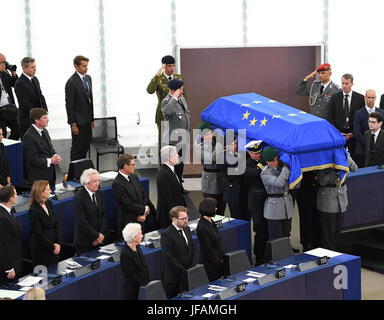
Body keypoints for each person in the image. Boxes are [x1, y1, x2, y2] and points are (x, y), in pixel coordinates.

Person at [316, 153, 357, 250]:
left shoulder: (344, 155)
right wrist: (335, 169)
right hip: (328, 199)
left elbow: (354, 168)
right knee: (328, 233)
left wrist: (346, 159)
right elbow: (322, 180)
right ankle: (329, 256)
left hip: (341, 198)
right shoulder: (323, 158)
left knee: (337, 231)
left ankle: (335, 254)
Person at [112, 154, 158, 241]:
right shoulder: (117, 183)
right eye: (132, 165)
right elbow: (127, 204)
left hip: (141, 218)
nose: (135, 166)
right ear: (125, 166)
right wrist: (143, 210)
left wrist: (143, 213)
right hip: (129, 221)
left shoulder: (134, 177)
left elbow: (143, 194)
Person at [147, 55, 184, 154]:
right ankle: (164, 167)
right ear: (163, 66)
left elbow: (184, 97)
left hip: (177, 115)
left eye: (173, 66)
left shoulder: (179, 78)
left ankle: (175, 166)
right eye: (169, 66)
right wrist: (157, 74)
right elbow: (150, 90)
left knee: (177, 141)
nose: (172, 68)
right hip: (163, 115)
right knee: (164, 143)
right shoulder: (159, 79)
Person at [160, 206, 195, 298]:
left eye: (187, 218)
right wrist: (182, 270)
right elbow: (168, 257)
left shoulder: (186, 229)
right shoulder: (167, 234)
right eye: (183, 219)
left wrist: (191, 265)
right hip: (173, 277)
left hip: (188, 273)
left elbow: (192, 248)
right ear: (174, 219)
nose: (186, 220)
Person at [328, 74, 365, 160]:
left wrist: (354, 133)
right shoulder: (335, 97)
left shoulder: (359, 98)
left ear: (352, 83)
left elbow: (362, 118)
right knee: (339, 159)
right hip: (339, 134)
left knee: (355, 159)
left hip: (354, 134)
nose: (344, 86)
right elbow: (330, 117)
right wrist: (337, 132)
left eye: (346, 83)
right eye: (342, 83)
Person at [260, 147, 294, 241]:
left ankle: (287, 255)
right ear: (268, 161)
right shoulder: (265, 173)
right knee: (276, 238)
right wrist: (286, 169)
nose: (276, 161)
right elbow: (280, 183)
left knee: (286, 234)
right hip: (274, 207)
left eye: (277, 159)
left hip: (287, 204)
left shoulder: (281, 168)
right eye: (273, 160)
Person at [22, 108, 61, 188]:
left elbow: (50, 148)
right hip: (39, 178)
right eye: (45, 118)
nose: (48, 120)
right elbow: (32, 159)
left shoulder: (45, 131)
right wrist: (51, 160)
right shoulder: (28, 136)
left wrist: (55, 155)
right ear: (37, 120)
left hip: (50, 175)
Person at [65, 55, 94, 161]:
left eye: (87, 66)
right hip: (78, 122)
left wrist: (91, 119)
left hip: (87, 121)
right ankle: (73, 174)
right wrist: (73, 124)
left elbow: (90, 100)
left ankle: (82, 171)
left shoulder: (88, 78)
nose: (86, 68)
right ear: (76, 66)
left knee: (85, 146)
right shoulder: (71, 82)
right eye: (83, 66)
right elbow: (69, 105)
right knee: (77, 148)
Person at [161, 78, 190, 183]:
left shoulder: (182, 99)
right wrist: (173, 98)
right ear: (173, 90)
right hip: (174, 139)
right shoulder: (166, 101)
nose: (182, 91)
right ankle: (174, 186)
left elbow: (186, 115)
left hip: (183, 136)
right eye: (180, 89)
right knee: (174, 164)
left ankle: (179, 185)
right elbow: (167, 112)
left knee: (181, 163)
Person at [194, 121, 226, 216]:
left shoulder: (216, 144)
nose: (210, 135)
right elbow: (213, 158)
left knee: (221, 208)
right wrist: (220, 144)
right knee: (210, 209)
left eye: (211, 133)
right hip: (210, 182)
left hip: (221, 179)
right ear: (202, 136)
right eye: (207, 134)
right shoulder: (199, 148)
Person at [244, 140, 268, 264]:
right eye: (255, 153)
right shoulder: (247, 163)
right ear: (249, 152)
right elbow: (252, 174)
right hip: (255, 200)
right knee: (259, 230)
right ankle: (258, 257)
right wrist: (261, 165)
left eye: (260, 152)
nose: (258, 155)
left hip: (266, 198)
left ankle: (267, 254)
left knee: (267, 229)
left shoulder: (264, 161)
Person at [72, 168, 107, 255]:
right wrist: (95, 237)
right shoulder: (78, 198)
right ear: (86, 183)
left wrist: (101, 235)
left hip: (99, 239)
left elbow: (103, 215)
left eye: (98, 180)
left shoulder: (99, 193)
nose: (97, 183)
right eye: (94, 181)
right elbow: (82, 222)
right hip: (85, 242)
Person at [28, 180, 60, 267]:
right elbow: (38, 233)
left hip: (53, 246)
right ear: (41, 192)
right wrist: (52, 247)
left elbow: (56, 223)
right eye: (48, 189)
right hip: (41, 250)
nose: (51, 191)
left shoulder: (49, 203)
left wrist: (57, 243)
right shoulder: (33, 210)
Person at [14, 57, 47, 139]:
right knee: (29, 147)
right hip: (27, 121)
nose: (35, 69)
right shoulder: (20, 83)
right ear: (24, 68)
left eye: (35, 67)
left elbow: (41, 96)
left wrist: (44, 113)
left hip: (38, 120)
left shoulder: (35, 79)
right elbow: (25, 104)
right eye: (32, 67)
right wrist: (37, 117)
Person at [156, 145, 186, 229]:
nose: (178, 156)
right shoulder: (164, 174)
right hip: (170, 218)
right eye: (176, 154)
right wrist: (176, 218)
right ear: (169, 158)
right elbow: (167, 199)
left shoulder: (170, 170)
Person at [196, 198, 225, 282]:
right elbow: (207, 249)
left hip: (217, 259)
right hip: (210, 263)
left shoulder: (210, 221)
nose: (216, 208)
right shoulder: (202, 227)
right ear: (209, 209)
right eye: (214, 207)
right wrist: (218, 262)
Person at [353, 89, 384, 168]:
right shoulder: (358, 113)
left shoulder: (382, 112)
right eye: (368, 97)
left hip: (379, 152)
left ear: (375, 98)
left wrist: (376, 144)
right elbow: (357, 132)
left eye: (372, 97)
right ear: (365, 98)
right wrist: (369, 143)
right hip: (362, 151)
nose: (370, 100)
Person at [120, 223, 150, 300]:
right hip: (133, 291)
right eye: (140, 234)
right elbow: (131, 276)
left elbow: (144, 266)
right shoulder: (125, 253)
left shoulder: (137, 247)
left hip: (143, 286)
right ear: (133, 237)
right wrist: (143, 287)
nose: (142, 235)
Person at [0, 185, 22, 286]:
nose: (17, 196)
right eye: (15, 194)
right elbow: (3, 245)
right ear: (10, 199)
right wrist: (9, 268)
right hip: (7, 268)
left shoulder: (6, 212)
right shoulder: (4, 218)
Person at [222, 137, 247, 220]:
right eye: (234, 144)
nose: (236, 146)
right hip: (233, 191)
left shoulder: (241, 154)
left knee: (246, 217)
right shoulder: (224, 155)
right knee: (237, 218)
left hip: (244, 190)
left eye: (236, 143)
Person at [0, 53, 19, 140]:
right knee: (2, 133)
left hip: (9, 107)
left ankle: (8, 148)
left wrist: (13, 73)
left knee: (19, 128)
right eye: (2, 62)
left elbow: (15, 84)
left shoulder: (4, 73)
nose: (4, 64)